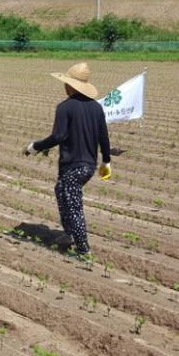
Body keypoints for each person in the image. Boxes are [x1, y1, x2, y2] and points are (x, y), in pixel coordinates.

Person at [24, 62, 111, 260]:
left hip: (73, 166)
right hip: (88, 166)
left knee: (73, 204)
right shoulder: (97, 108)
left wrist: (35, 147)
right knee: (60, 190)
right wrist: (106, 162)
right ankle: (68, 234)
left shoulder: (64, 107)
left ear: (70, 85)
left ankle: (83, 250)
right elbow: (104, 138)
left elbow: (58, 136)